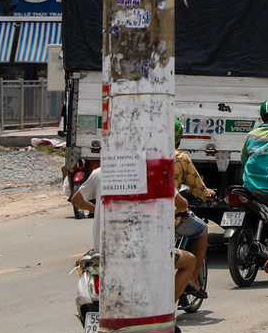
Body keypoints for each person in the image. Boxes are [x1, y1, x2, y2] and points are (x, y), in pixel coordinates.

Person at [71, 166, 200, 309]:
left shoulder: (100, 172)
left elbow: (77, 200)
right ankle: (166, 309)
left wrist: (95, 209)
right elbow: (183, 204)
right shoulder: (155, 173)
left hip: (103, 253)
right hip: (143, 254)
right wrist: (177, 210)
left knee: (81, 261)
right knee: (189, 261)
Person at [172, 118, 213, 300]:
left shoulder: (142, 156)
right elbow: (198, 189)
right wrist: (207, 193)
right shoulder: (180, 158)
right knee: (202, 230)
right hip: (171, 218)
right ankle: (193, 278)